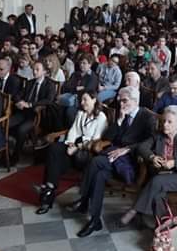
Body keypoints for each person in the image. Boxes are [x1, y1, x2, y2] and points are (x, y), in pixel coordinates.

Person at [66, 86, 157, 237]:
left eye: (125, 101)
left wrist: (128, 149)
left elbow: (151, 141)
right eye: (120, 101)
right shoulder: (123, 115)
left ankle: (83, 201)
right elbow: (108, 137)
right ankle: (95, 220)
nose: (121, 105)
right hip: (113, 157)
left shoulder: (147, 117)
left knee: (95, 162)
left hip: (132, 161)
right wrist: (119, 122)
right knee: (99, 175)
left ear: (135, 101)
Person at [118, 105, 177, 227]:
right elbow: (142, 147)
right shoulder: (158, 135)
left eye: (169, 122)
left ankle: (133, 211)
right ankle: (165, 224)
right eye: (164, 121)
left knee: (156, 181)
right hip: (160, 175)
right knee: (158, 195)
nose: (165, 124)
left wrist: (174, 163)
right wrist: (152, 157)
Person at [33, 90, 108, 214]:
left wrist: (77, 147)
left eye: (85, 99)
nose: (82, 103)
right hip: (74, 146)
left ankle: (48, 193)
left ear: (94, 99)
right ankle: (50, 188)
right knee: (54, 148)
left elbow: (96, 140)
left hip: (86, 152)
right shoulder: (81, 113)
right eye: (81, 100)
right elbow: (73, 130)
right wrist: (70, 143)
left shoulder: (101, 117)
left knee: (57, 161)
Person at [7, 61, 57, 163]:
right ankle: (5, 153)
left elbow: (48, 100)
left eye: (37, 69)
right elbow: (18, 94)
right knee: (7, 123)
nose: (34, 72)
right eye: (33, 69)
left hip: (35, 115)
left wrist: (30, 104)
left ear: (44, 71)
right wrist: (19, 101)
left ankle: (15, 157)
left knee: (21, 130)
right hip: (23, 112)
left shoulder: (50, 84)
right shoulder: (30, 82)